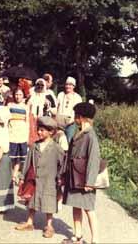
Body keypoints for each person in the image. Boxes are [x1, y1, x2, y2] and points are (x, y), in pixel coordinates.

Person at [15, 116, 65, 239]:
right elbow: (27, 162)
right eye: (38, 129)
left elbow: (62, 165)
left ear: (51, 132)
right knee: (32, 201)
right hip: (35, 180)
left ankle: (49, 226)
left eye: (42, 130)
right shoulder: (34, 146)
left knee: (49, 202)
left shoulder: (56, 148)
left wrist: (60, 178)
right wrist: (22, 176)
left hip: (49, 181)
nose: (39, 132)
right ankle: (29, 222)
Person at [62, 102, 100, 244]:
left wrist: (90, 182)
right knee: (76, 205)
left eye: (75, 115)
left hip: (84, 178)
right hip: (74, 176)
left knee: (89, 209)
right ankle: (78, 236)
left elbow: (94, 159)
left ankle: (95, 240)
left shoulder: (90, 135)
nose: (74, 118)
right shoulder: (78, 133)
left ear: (81, 117)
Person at [6, 87, 29, 184]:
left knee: (19, 157)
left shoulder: (26, 107)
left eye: (20, 94)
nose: (18, 96)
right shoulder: (9, 105)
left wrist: (27, 135)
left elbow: (27, 122)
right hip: (11, 134)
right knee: (11, 157)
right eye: (16, 94)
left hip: (21, 134)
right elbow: (6, 120)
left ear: (23, 96)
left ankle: (14, 175)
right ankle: (9, 174)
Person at [56, 76, 82, 142]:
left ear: (74, 86)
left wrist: (73, 120)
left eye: (70, 85)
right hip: (59, 123)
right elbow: (56, 107)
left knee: (69, 141)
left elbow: (79, 111)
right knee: (59, 140)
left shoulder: (77, 97)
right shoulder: (61, 94)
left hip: (71, 123)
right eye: (66, 84)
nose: (68, 86)